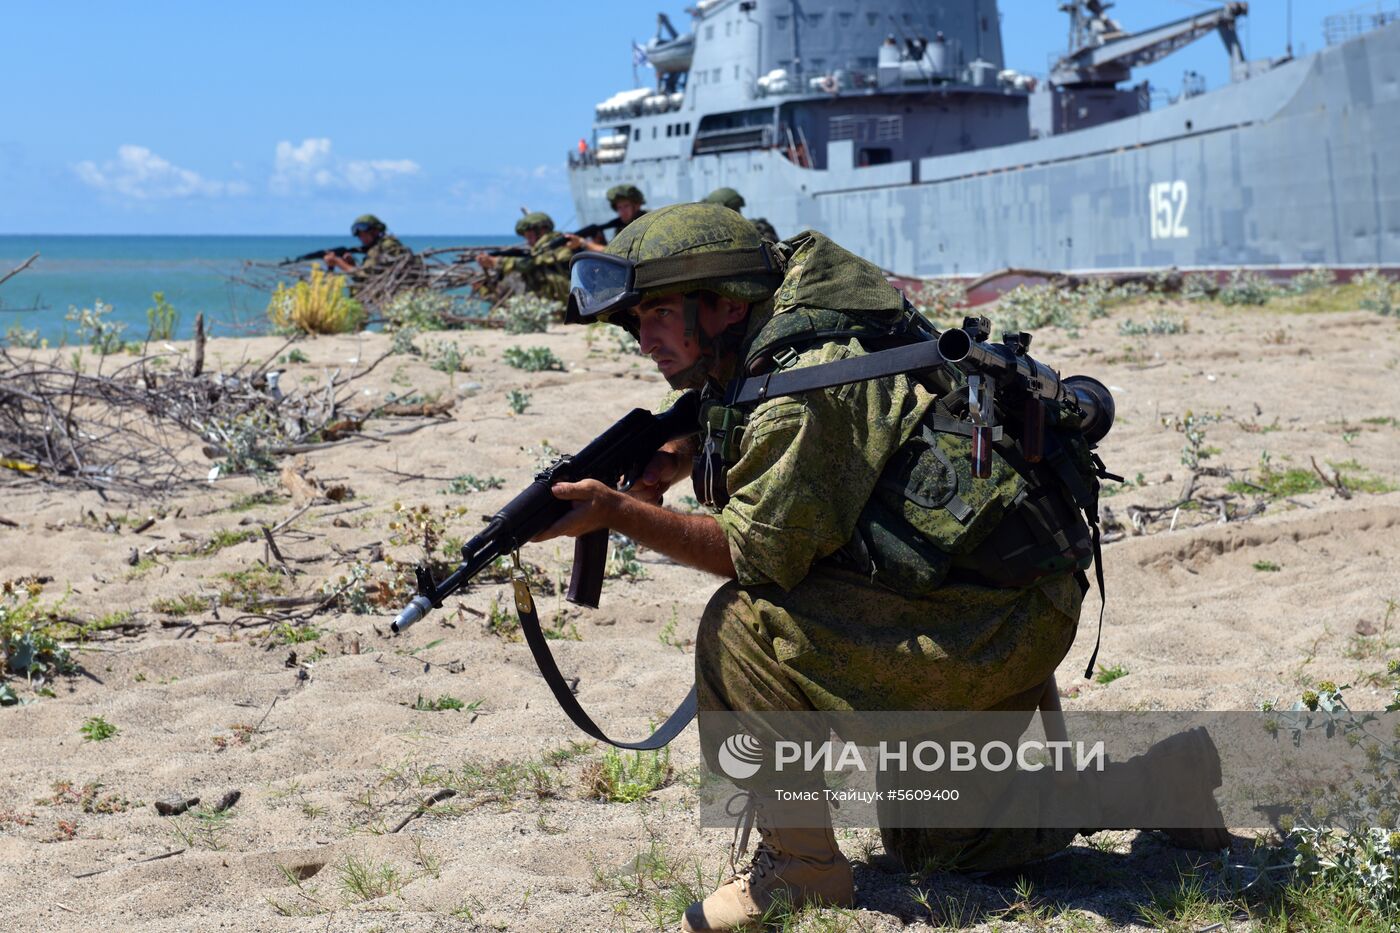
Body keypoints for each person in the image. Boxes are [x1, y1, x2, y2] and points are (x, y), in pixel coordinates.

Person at [543, 202, 1229, 931]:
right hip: (999, 600)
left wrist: (616, 513)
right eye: (635, 318)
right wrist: (678, 455)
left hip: (978, 625)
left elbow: (754, 554)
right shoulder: (800, 317)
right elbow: (719, 404)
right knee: (940, 842)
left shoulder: (805, 385)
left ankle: (802, 871)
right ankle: (1160, 783)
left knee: (741, 625)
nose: (642, 336)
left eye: (657, 313)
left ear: (720, 302)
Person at [476, 212, 574, 303]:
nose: (528, 242)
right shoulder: (540, 249)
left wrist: (497, 262)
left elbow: (532, 262)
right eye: (526, 238)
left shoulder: (561, 244)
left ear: (542, 231)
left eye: (530, 237)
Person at [322, 214, 415, 296]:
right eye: (360, 235)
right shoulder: (380, 246)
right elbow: (365, 277)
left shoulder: (385, 246)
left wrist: (338, 262)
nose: (362, 238)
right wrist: (351, 264)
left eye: (364, 234)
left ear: (375, 231)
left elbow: (365, 276)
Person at [565, 183, 648, 252]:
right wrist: (600, 242)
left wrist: (583, 243)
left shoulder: (646, 223)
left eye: (626, 206)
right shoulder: (622, 227)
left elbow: (617, 255)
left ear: (637, 206)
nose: (622, 211)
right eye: (619, 207)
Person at [703, 186, 778, 242]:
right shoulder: (711, 236)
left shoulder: (758, 229)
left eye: (736, 208)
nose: (738, 213)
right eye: (734, 209)